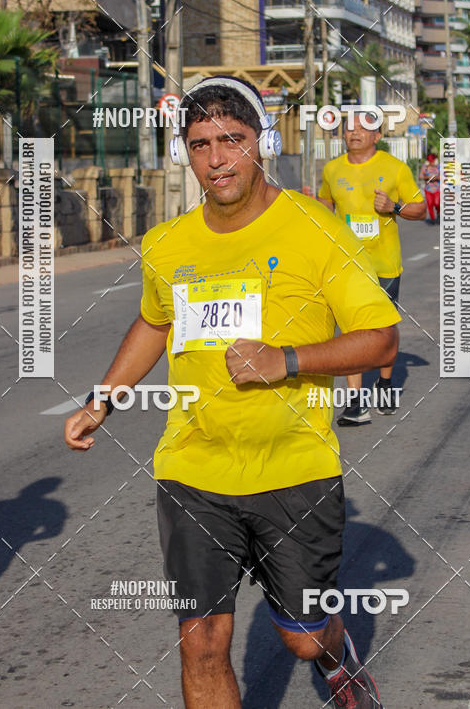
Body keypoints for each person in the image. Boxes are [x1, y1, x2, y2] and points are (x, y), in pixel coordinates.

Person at [64, 76, 399, 709]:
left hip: (295, 469)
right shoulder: (167, 244)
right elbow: (154, 323)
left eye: (232, 140)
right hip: (193, 469)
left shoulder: (315, 228)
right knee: (200, 642)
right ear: (184, 154)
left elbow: (381, 340)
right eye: (201, 144)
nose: (217, 159)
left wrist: (287, 360)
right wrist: (103, 399)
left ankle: (336, 655)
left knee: (302, 638)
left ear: (261, 143)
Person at [317, 110, 426, 425]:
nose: (353, 132)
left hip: (384, 264)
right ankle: (355, 401)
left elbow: (420, 208)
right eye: (348, 127)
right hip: (347, 264)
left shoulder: (394, 168)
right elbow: (325, 203)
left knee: (383, 328)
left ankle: (385, 383)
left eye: (362, 128)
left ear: (377, 135)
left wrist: (393, 207)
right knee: (351, 330)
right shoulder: (332, 168)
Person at [420, 152, 441, 223]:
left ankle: (438, 213)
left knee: (437, 203)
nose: (432, 163)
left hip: (437, 189)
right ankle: (432, 219)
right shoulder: (425, 167)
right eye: (431, 161)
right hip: (428, 189)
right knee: (430, 204)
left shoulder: (439, 166)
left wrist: (436, 178)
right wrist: (427, 177)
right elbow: (421, 176)